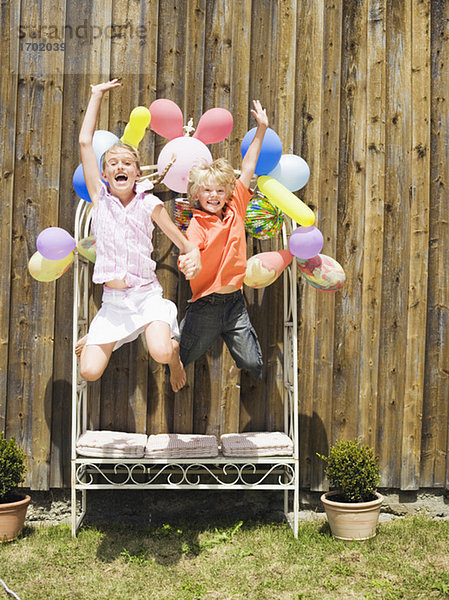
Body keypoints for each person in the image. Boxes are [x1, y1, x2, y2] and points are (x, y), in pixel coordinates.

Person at [76, 79, 201, 392]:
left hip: (146, 297)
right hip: (114, 304)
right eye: (113, 164)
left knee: (161, 351)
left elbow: (183, 241)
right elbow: (84, 143)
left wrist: (193, 257)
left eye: (128, 163)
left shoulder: (150, 203)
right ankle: (102, 335)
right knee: (89, 372)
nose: (121, 167)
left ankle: (175, 360)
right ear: (105, 175)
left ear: (136, 172)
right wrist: (96, 95)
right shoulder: (99, 198)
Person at [178, 100, 268, 380]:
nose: (214, 195)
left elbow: (249, 164)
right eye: (207, 191)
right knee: (181, 357)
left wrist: (262, 128)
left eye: (219, 190)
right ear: (196, 194)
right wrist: (188, 265)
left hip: (235, 305)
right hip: (205, 306)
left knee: (253, 363)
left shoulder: (236, 206)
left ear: (228, 191)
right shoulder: (196, 224)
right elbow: (189, 252)